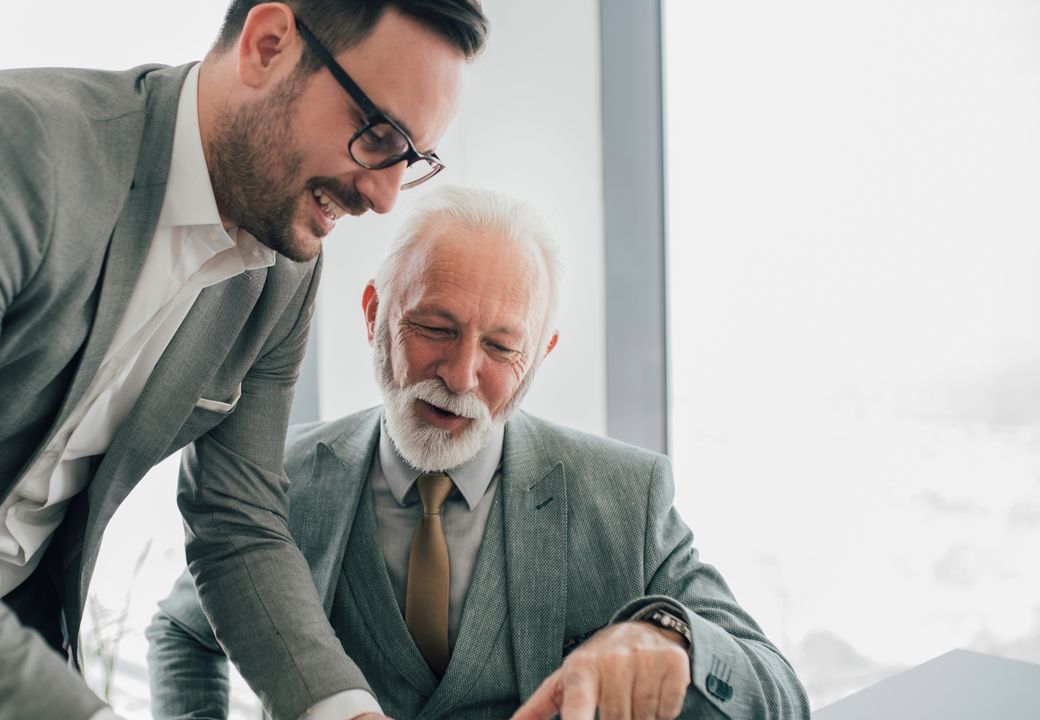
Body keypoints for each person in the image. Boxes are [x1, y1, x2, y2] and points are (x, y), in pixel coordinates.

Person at [0, 2, 487, 719]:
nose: (386, 194)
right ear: (268, 45)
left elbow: (239, 525)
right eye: (378, 134)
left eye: (412, 158)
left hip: (2, 649)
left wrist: (342, 710)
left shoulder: (284, 273)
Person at [146, 186, 810, 720]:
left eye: (500, 347)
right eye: (435, 328)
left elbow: (781, 695)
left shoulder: (627, 497)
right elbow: (183, 632)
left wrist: (670, 634)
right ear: (374, 312)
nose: (462, 376)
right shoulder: (278, 480)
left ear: (540, 356)